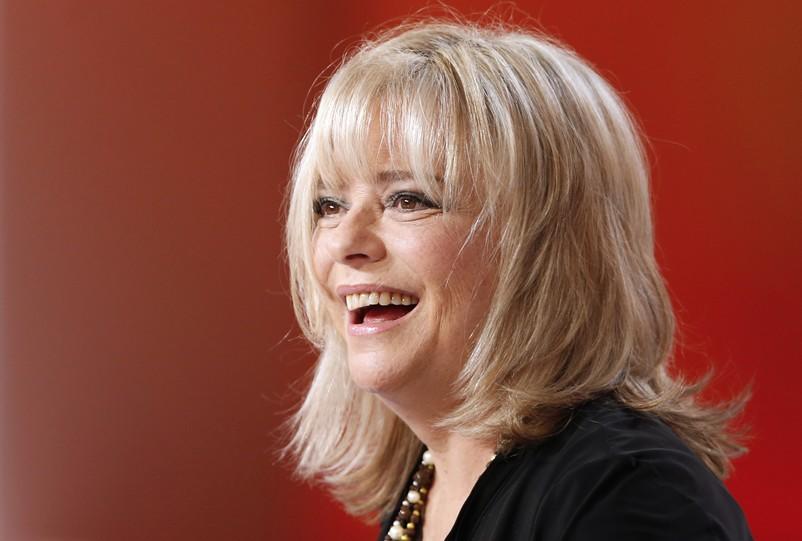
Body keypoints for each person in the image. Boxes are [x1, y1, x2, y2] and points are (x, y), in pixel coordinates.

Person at [282, 17, 753, 541]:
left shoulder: (629, 498)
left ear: (543, 244)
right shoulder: (426, 486)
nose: (344, 242)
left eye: (408, 199)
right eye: (329, 205)